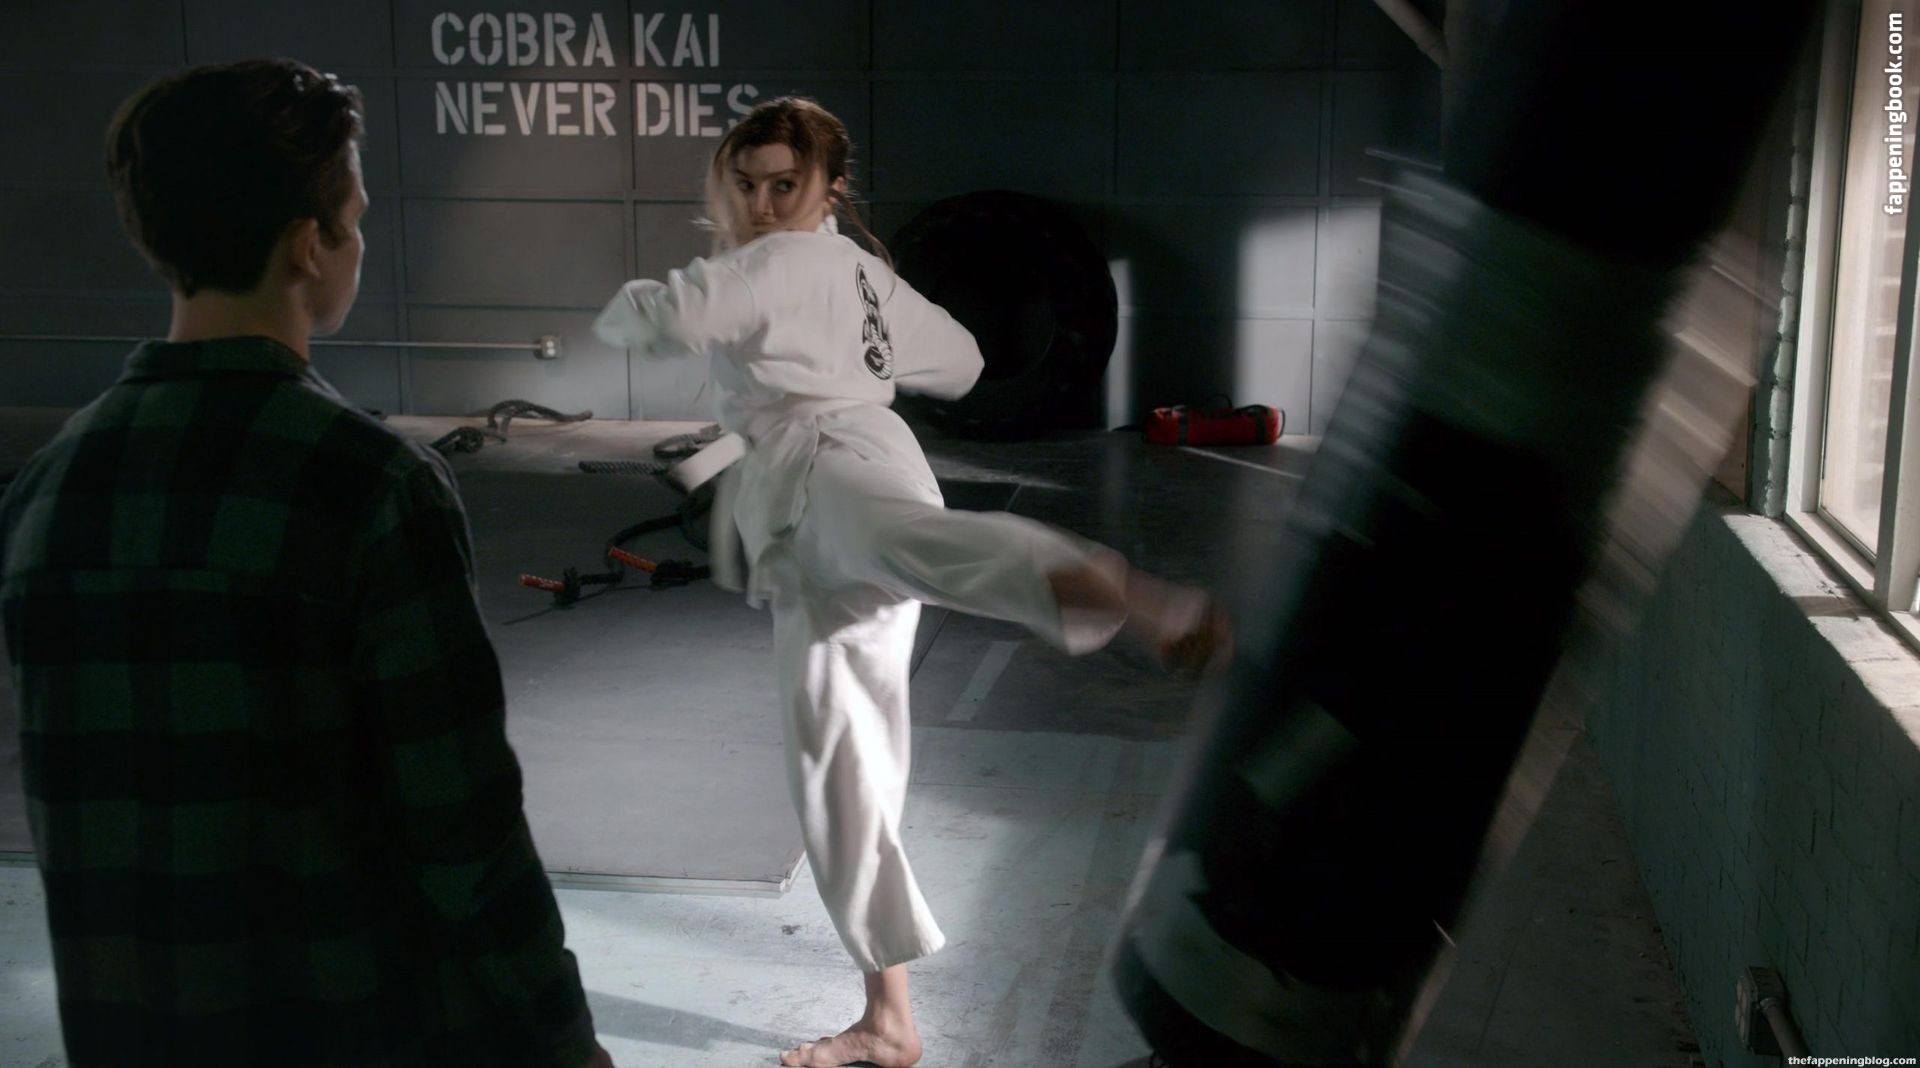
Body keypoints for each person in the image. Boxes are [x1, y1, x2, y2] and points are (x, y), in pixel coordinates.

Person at [1105, 3, 1823, 1064]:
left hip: (1496, 433)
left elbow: (1377, 685)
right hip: (1509, 434)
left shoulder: (1466, 537)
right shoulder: (1483, 539)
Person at [593, 96, 1230, 1068]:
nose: (762, 203)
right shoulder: (858, 270)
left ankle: (1113, 589)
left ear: (829, 189)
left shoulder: (766, 264)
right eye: (747, 183)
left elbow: (649, 319)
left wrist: (662, 297)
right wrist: (848, 342)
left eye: (784, 184)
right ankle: (888, 1018)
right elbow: (965, 360)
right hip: (863, 467)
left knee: (914, 558)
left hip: (824, 478)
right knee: (844, 765)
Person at [0, 59, 612, 1067]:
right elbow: (463, 829)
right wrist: (564, 1039)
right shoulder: (372, 487)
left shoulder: (47, 491)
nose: (359, 240)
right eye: (354, 219)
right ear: (307, 245)